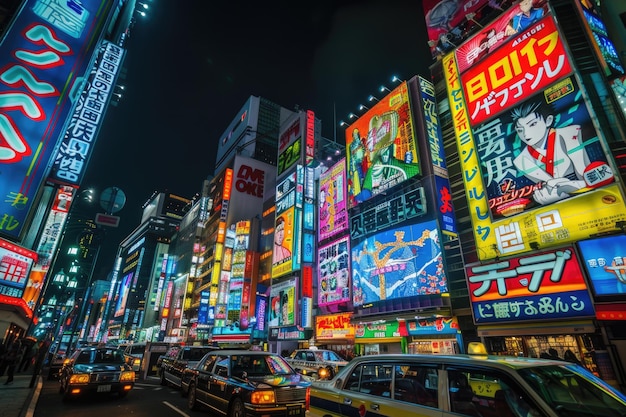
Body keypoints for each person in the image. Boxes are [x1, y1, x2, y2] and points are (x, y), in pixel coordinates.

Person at [510, 101, 609, 205]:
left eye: (533, 124)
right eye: (520, 130)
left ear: (548, 121)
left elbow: (591, 178)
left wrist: (567, 188)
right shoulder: (520, 161)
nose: (526, 134)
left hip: (594, 199)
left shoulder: (570, 133)